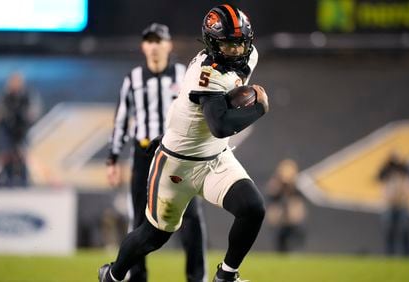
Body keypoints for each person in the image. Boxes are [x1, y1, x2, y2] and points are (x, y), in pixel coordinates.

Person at [99, 4, 269, 282]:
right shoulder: (206, 73)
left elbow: (215, 113)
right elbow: (220, 126)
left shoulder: (250, 57)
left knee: (252, 208)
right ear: (212, 44)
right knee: (153, 236)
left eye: (240, 44)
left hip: (214, 158)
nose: (237, 52)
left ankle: (226, 276)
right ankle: (113, 274)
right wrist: (258, 108)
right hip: (178, 166)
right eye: (228, 45)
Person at [105, 23, 206, 282]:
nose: (154, 46)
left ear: (168, 45)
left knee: (191, 218)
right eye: (149, 41)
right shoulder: (133, 79)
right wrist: (113, 158)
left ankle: (197, 277)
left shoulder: (185, 75)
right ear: (143, 47)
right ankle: (137, 276)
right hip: (144, 155)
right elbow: (121, 121)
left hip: (178, 156)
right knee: (139, 220)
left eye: (159, 41)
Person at [0, 72, 42, 187]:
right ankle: (8, 181)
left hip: (23, 131)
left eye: (17, 82)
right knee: (8, 155)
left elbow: (33, 114)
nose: (14, 85)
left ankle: (25, 181)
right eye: (12, 82)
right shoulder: (4, 97)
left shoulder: (27, 96)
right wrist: (6, 118)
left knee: (23, 156)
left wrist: (22, 118)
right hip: (8, 132)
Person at [265, 159, 306, 253]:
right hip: (280, 217)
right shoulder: (276, 184)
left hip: (291, 218)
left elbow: (298, 202)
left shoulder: (295, 185)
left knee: (295, 237)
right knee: (279, 238)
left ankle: (294, 252)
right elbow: (272, 196)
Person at [378, 152, 409, 256]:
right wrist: (388, 165)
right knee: (389, 230)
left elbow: (408, 190)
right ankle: (390, 254)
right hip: (389, 205)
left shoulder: (404, 174)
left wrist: (401, 166)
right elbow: (378, 176)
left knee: (404, 230)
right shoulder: (387, 174)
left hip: (402, 205)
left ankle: (407, 254)